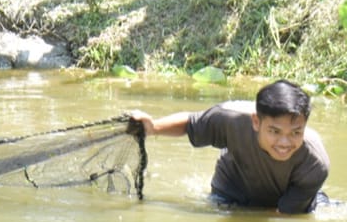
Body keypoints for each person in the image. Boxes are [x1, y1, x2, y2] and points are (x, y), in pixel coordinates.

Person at [128, 79, 329, 214]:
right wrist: (153, 127)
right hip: (231, 191)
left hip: (284, 201)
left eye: (295, 133)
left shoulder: (314, 163)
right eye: (275, 132)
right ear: (256, 122)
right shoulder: (232, 119)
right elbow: (191, 123)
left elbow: (283, 217)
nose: (285, 143)